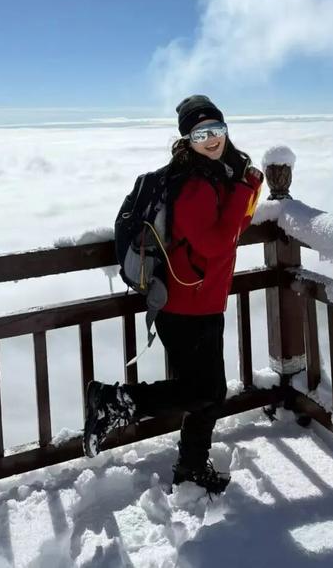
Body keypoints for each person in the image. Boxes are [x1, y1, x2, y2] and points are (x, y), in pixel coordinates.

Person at [83, 95, 263, 494]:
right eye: (200, 134)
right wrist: (244, 189)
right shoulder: (195, 184)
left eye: (216, 129)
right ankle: (113, 401)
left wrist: (246, 188)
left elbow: (236, 226)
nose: (211, 139)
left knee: (208, 392)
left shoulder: (217, 174)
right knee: (205, 391)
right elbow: (214, 244)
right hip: (184, 307)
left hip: (202, 300)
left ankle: (191, 465)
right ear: (187, 139)